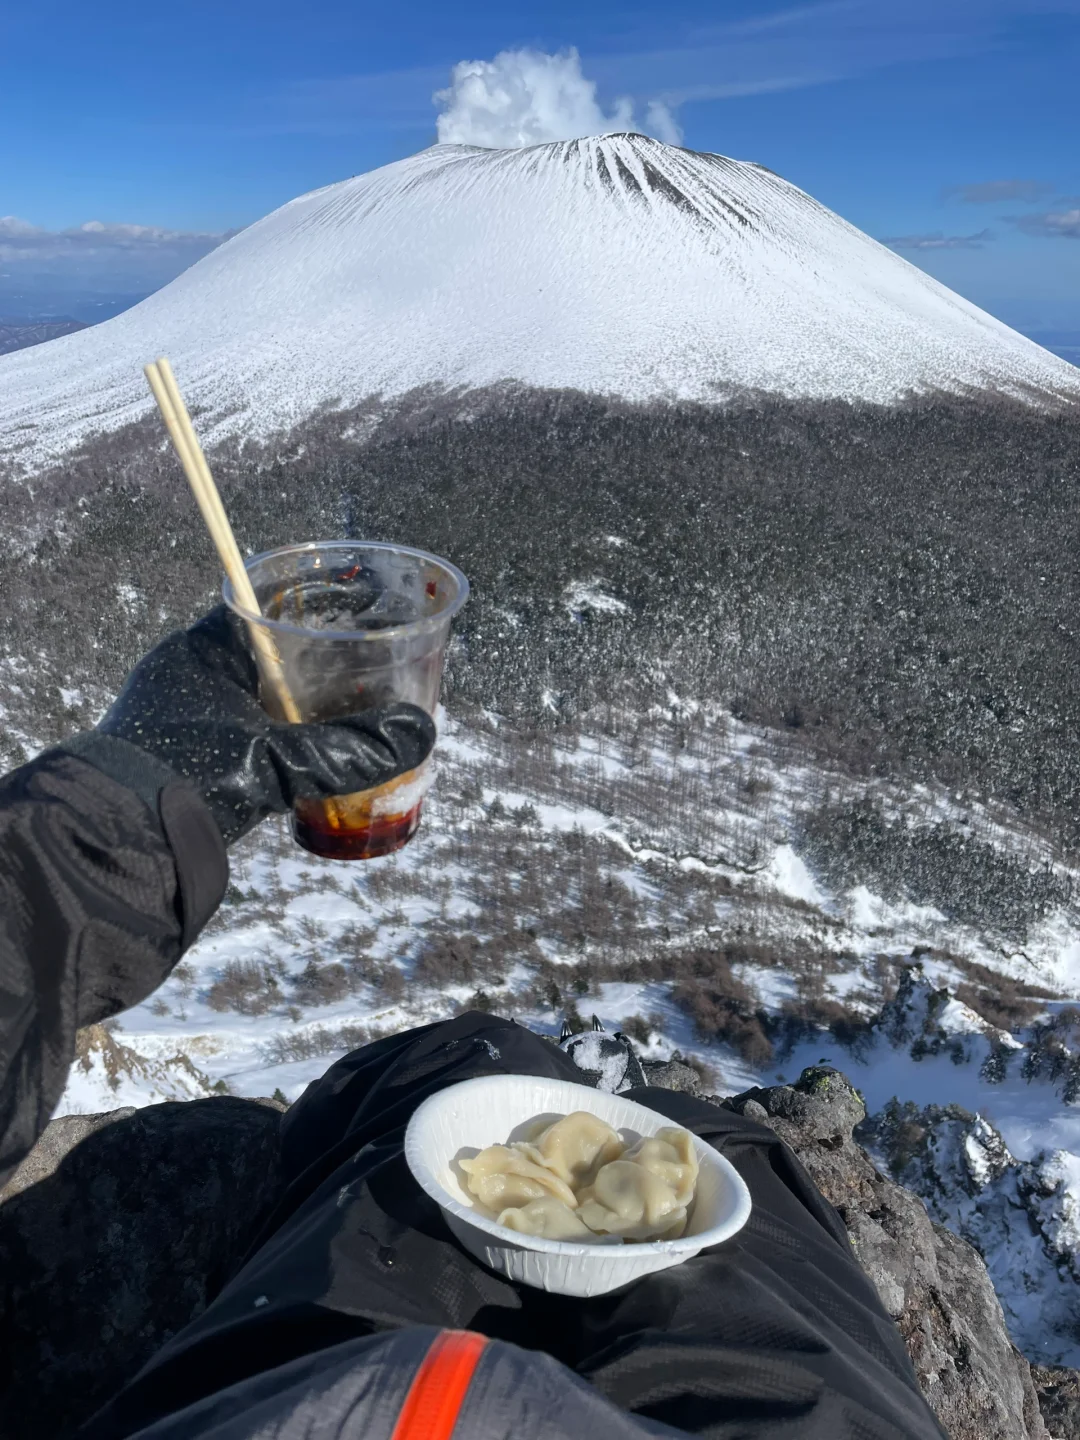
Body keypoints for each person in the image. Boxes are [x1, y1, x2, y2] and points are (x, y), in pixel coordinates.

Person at [0, 608, 947, 1440]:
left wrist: (92, 839)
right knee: (728, 1167)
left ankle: (390, 1118)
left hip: (281, 1396)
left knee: (444, 1082)